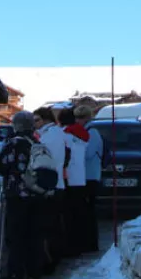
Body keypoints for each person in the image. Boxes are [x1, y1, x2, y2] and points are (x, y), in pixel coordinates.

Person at [0, 111, 43, 279]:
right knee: (33, 233)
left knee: (16, 234)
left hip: (17, 194)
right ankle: (34, 270)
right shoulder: (36, 142)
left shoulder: (12, 144)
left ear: (16, 125)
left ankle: (16, 273)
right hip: (36, 193)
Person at [32, 106, 69, 271]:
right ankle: (54, 257)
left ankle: (50, 261)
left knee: (48, 226)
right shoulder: (58, 133)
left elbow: (44, 159)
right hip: (58, 182)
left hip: (50, 185)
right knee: (54, 224)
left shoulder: (49, 136)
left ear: (45, 119)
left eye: (37, 120)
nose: (35, 124)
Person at [58, 108, 90, 257]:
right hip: (80, 178)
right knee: (80, 215)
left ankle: (70, 247)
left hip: (67, 179)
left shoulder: (64, 134)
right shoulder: (83, 134)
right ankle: (81, 245)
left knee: (68, 216)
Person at [76, 104, 103, 253]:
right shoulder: (86, 131)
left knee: (89, 211)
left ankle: (91, 244)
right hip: (86, 175)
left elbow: (88, 154)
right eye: (76, 117)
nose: (78, 120)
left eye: (80, 117)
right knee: (86, 211)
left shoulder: (92, 133)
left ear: (87, 118)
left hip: (90, 176)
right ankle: (88, 242)